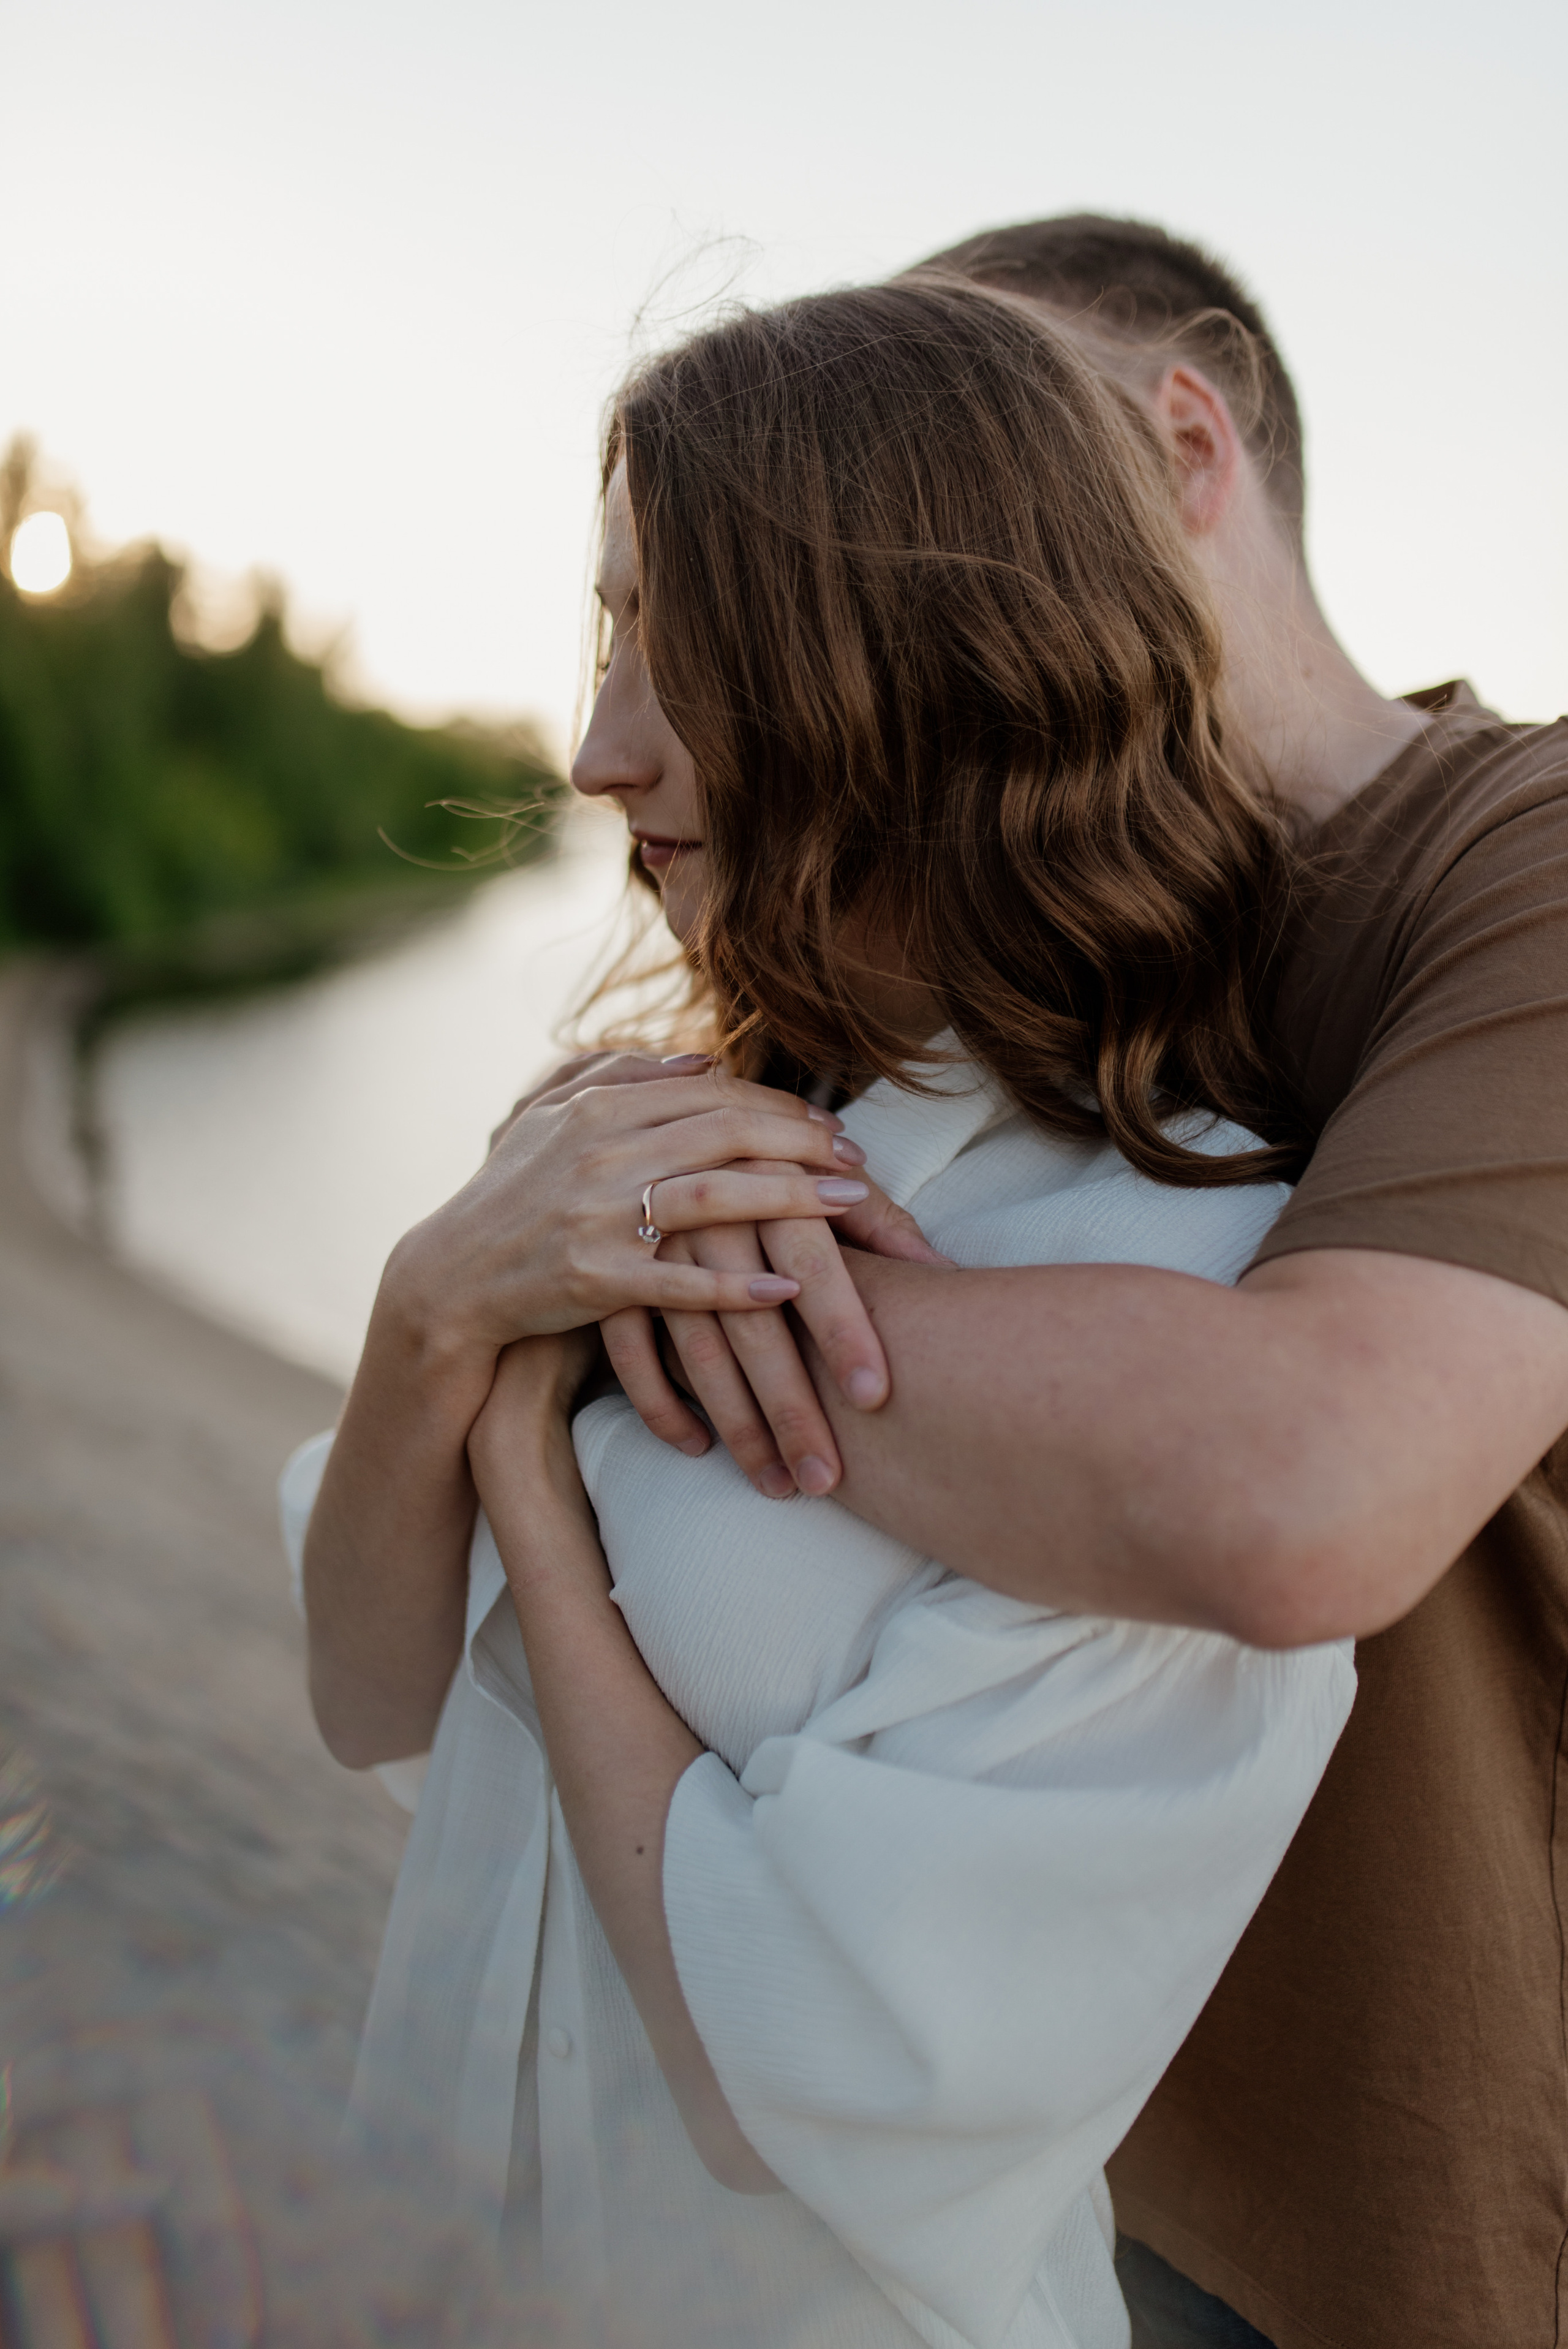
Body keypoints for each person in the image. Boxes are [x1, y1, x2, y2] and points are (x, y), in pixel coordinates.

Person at [287, 278, 1359, 2348]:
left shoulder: (1178, 1282)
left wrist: (525, 1449)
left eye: (678, 657)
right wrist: (439, 1307)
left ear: (921, 677)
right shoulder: (662, 1133)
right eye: (607, 638)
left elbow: (777, 2082)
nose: (599, 752)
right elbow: (363, 1696)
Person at [573, 218, 1568, 2349]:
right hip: (1042, 2121)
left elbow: (1303, 1485)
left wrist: (683, 1280)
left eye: (995, 439)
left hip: (1413, 2217)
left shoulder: (1531, 865)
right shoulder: (1009, 908)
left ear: (1180, 441)